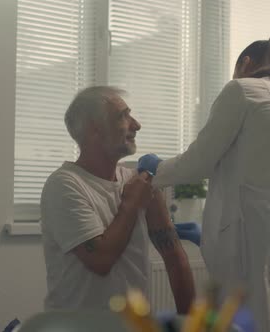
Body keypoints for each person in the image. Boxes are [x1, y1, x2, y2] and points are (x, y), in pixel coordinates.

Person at [138, 34, 270, 332]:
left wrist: (157, 169)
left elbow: (199, 161)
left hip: (260, 237)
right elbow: (265, 177)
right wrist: (213, 232)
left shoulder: (242, 90)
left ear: (246, 63)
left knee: (253, 322)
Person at [40, 86, 195, 313]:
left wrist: (192, 323)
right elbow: (101, 261)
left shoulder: (138, 182)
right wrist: (131, 205)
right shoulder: (63, 185)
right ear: (95, 129)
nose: (136, 125)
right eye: (123, 116)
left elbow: (174, 258)